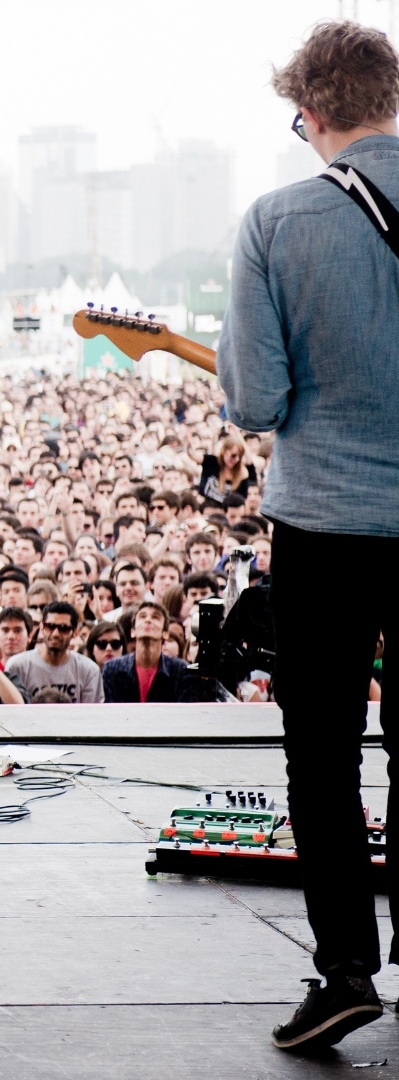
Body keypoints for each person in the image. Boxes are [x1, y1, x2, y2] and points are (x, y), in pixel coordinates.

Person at [219, 21, 399, 1049]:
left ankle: (345, 974)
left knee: (322, 756)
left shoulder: (277, 221)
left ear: (312, 112)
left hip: (327, 525)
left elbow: (255, 400)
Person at [4, 601, 103, 703]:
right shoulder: (18, 666)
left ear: (75, 632)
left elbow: (91, 711)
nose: (56, 634)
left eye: (63, 628)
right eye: (50, 626)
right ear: (42, 627)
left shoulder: (89, 671)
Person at [101, 602, 190, 703]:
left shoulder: (180, 670)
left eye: (155, 617)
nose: (148, 620)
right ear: (133, 632)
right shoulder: (112, 669)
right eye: (142, 616)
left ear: (165, 634)